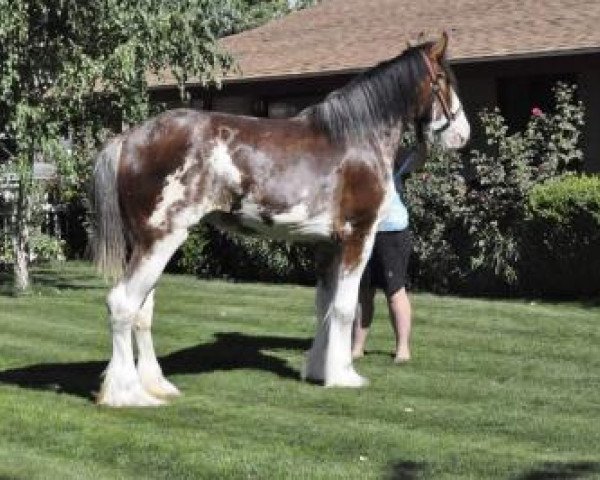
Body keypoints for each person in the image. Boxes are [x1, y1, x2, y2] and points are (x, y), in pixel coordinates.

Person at [352, 149, 415, 363]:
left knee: (395, 291)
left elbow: (419, 160)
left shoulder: (396, 155)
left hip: (392, 231)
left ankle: (403, 349)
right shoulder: (362, 155)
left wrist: (424, 142)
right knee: (364, 292)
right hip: (365, 230)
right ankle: (357, 348)